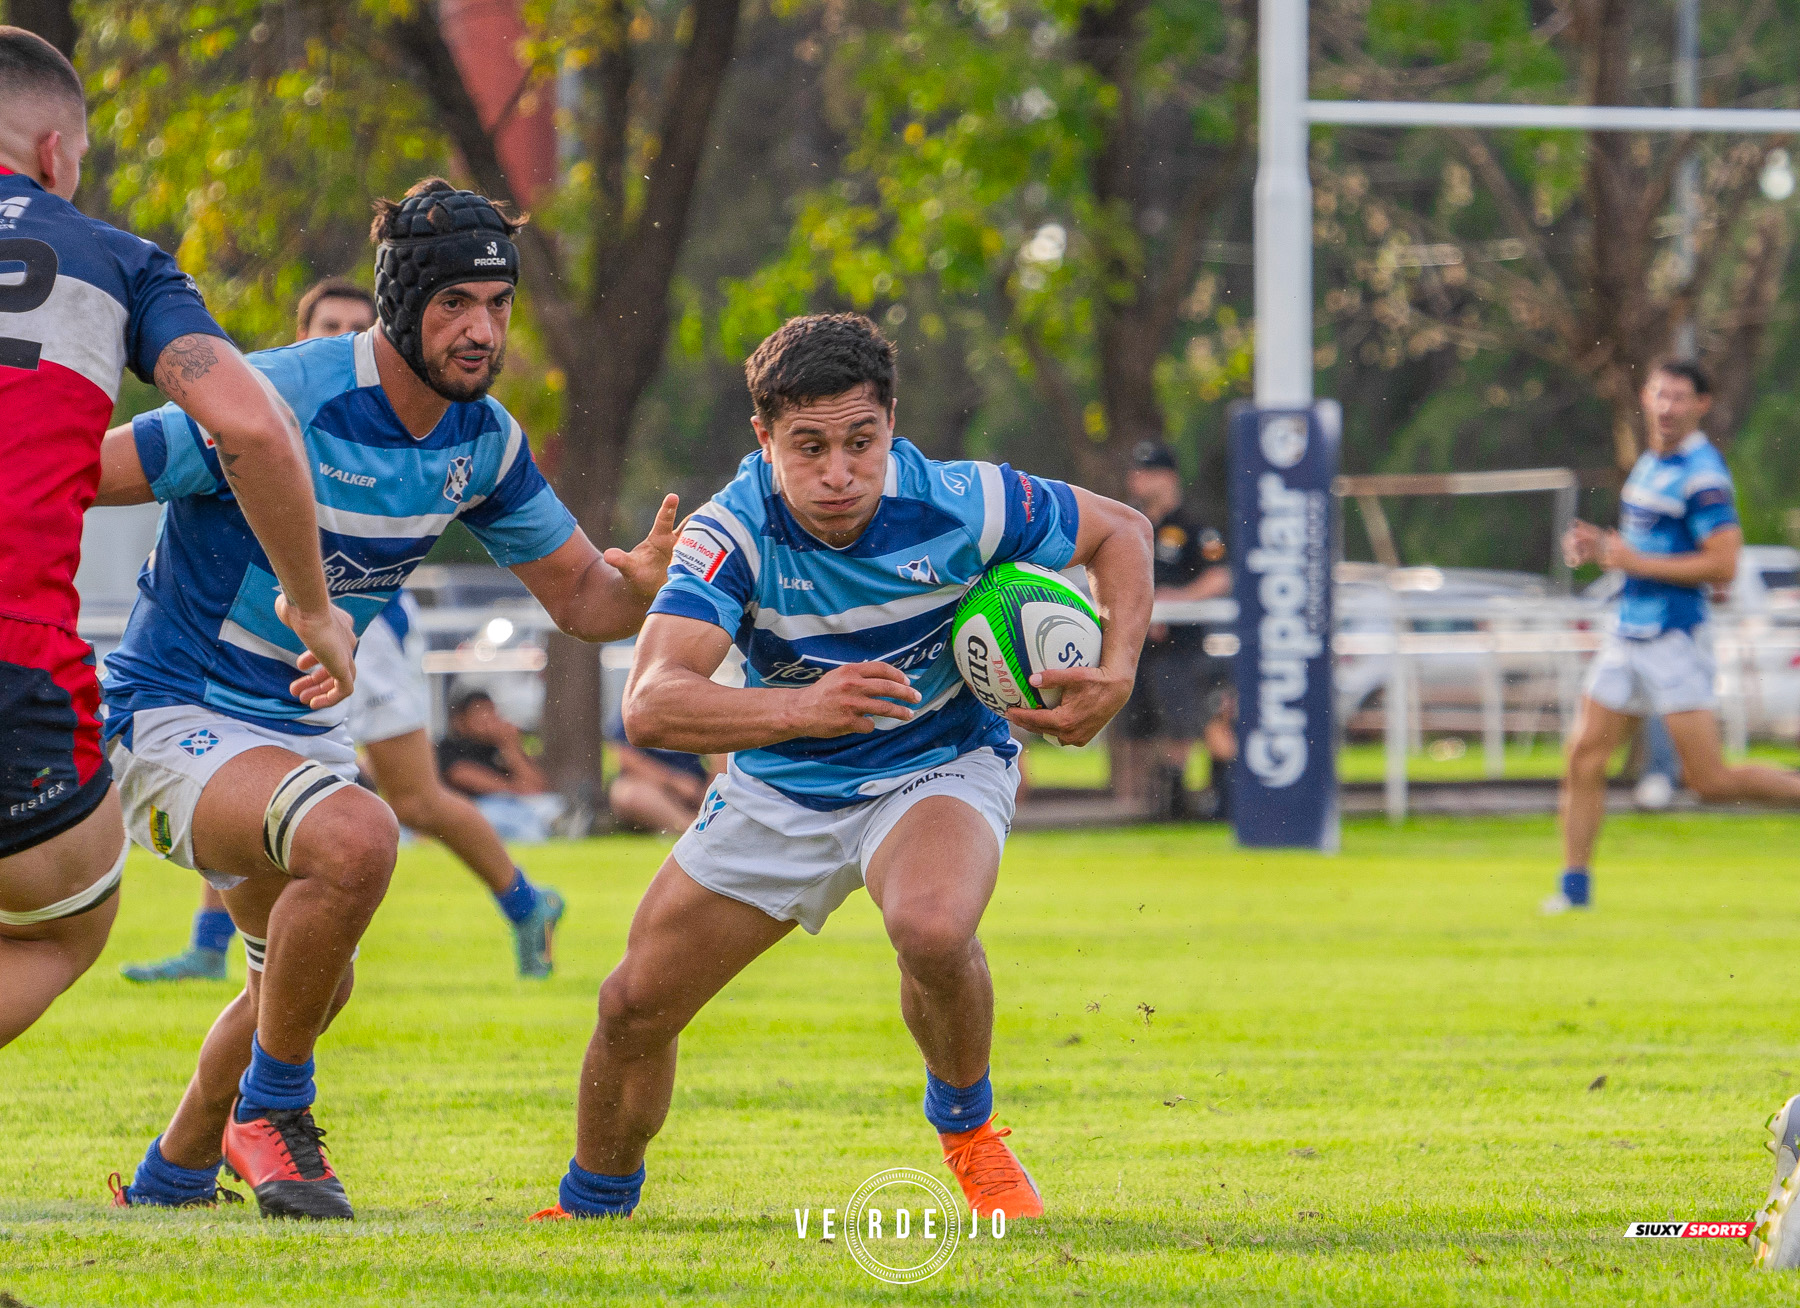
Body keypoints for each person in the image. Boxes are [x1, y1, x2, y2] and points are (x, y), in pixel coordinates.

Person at [94, 178, 676, 1220]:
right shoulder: (276, 398)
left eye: (498, 307)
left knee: (313, 983)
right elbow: (82, 472)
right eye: (456, 302)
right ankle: (273, 1113)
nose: (482, 330)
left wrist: (637, 587)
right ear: (402, 301)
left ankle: (176, 1170)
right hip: (170, 713)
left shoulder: (482, 442)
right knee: (359, 839)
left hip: (288, 736)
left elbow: (586, 601)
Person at [530, 313, 1153, 1223]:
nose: (838, 473)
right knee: (633, 1005)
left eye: (861, 442)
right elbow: (652, 700)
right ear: (764, 439)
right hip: (781, 788)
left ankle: (970, 1135)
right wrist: (800, 708)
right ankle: (593, 1205)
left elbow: (1123, 532)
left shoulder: (963, 502)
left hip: (934, 763)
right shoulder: (731, 532)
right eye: (808, 447)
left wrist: (1119, 671)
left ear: (891, 425)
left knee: (933, 930)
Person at [0, 27, 355, 1051]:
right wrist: (312, 608)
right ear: (59, 154)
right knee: (60, 923)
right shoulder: (114, 261)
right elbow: (251, 428)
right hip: (16, 655)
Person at [119, 280, 566, 983]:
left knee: (409, 799)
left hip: (371, 638)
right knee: (252, 779)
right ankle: (213, 943)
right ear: (309, 337)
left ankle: (523, 900)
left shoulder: (455, 437)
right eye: (334, 326)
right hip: (221, 683)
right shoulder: (282, 402)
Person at [1549, 359, 1800, 913]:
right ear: (1644, 396)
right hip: (1628, 634)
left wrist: (1633, 560)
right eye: (1660, 395)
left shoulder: (1702, 475)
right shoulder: (1648, 464)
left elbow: (1723, 564)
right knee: (1583, 758)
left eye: (1680, 398)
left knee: (1707, 780)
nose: (1667, 408)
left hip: (1674, 639)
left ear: (1701, 406)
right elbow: (1648, 552)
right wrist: (1602, 548)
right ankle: (1573, 891)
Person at [1112, 441, 1231, 819]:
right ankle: (1150, 803)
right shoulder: (1133, 525)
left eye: (1146, 472)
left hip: (1181, 649)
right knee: (1140, 728)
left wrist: (1177, 600)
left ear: (1168, 477)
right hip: (1142, 648)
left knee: (1182, 725)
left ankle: (1183, 802)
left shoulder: (1194, 526)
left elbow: (1219, 577)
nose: (1137, 479)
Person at [438, 689, 567, 842]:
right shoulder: (450, 747)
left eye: (491, 712)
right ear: (460, 720)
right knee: (519, 823)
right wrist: (516, 789)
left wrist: (511, 747)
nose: (488, 720)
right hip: (477, 806)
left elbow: (537, 788)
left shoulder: (499, 746)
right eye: (480, 714)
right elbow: (463, 776)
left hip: (515, 804)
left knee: (550, 803)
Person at [604, 713, 714, 834]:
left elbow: (722, 756)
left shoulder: (699, 702)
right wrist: (674, 782)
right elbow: (626, 757)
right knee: (629, 793)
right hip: (653, 788)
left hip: (698, 789)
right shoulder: (637, 702)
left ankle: (701, 828)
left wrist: (705, 789)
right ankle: (694, 830)